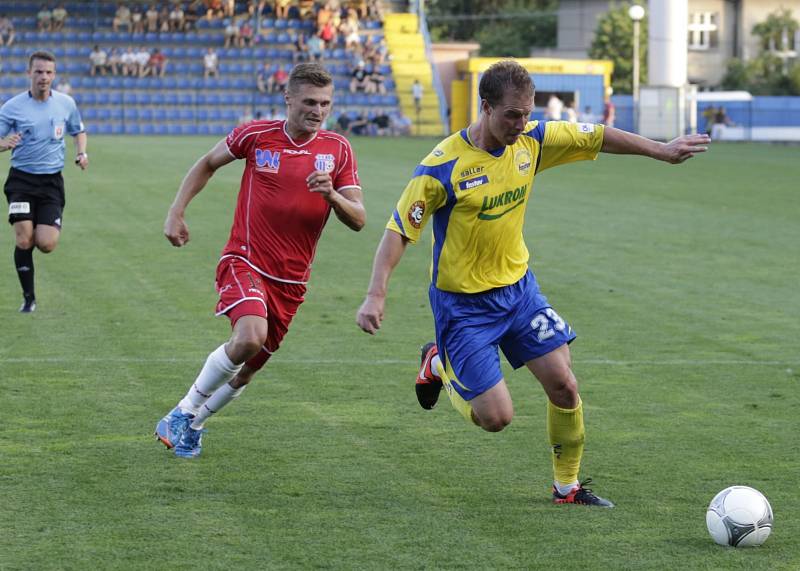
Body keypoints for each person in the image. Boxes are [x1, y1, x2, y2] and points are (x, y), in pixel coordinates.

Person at [355, 59, 710, 507]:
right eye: (511, 115)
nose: (521, 124)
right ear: (485, 107)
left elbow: (598, 135)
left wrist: (661, 150)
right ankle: (439, 365)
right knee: (496, 418)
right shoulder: (441, 168)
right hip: (464, 307)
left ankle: (567, 487)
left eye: (527, 113)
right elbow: (398, 231)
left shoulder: (533, 140)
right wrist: (376, 293)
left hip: (519, 292)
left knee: (565, 384)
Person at [154, 63, 365, 458]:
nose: (318, 111)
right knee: (249, 337)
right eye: (309, 103)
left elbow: (359, 219)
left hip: (292, 281)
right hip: (245, 260)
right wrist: (175, 211)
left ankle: (196, 425)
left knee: (249, 367)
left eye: (325, 104)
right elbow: (207, 163)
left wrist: (333, 196)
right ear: (288, 99)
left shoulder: (338, 149)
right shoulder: (256, 135)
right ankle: (182, 412)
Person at [0, 51, 88, 313]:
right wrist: (3, 145)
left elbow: (78, 130)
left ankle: (39, 230)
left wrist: (81, 152)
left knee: (46, 243)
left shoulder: (65, 103)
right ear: (29, 73)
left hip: (51, 183)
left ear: (54, 75)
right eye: (38, 72)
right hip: (21, 181)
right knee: (24, 239)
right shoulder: (12, 107)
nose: (44, 77)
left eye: (49, 72)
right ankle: (29, 299)